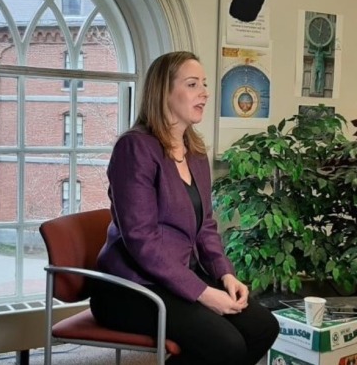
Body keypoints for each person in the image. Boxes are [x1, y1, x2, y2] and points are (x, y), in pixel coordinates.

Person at [89, 51, 280, 365]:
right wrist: (204, 293)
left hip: (179, 277)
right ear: (163, 92)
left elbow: (205, 226)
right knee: (226, 345)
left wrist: (225, 275)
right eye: (192, 84)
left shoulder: (195, 151)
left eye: (204, 84)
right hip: (131, 288)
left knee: (263, 327)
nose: (204, 92)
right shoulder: (135, 147)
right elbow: (141, 240)